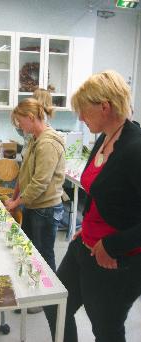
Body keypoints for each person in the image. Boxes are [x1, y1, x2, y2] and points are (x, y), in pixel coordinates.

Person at [49, 70, 141, 342]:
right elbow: (100, 192)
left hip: (116, 259)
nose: (80, 118)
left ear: (105, 106)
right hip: (84, 245)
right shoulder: (104, 138)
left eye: (83, 110)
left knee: (106, 329)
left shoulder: (136, 149)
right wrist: (85, 224)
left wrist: (113, 245)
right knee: (56, 303)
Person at [5, 98, 65, 317]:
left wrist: (16, 202)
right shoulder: (34, 139)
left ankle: (48, 300)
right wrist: (14, 197)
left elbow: (40, 183)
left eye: (20, 121)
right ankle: (32, 292)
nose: (19, 126)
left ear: (31, 118)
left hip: (45, 208)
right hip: (32, 205)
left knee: (44, 254)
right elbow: (24, 173)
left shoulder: (48, 143)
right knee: (30, 252)